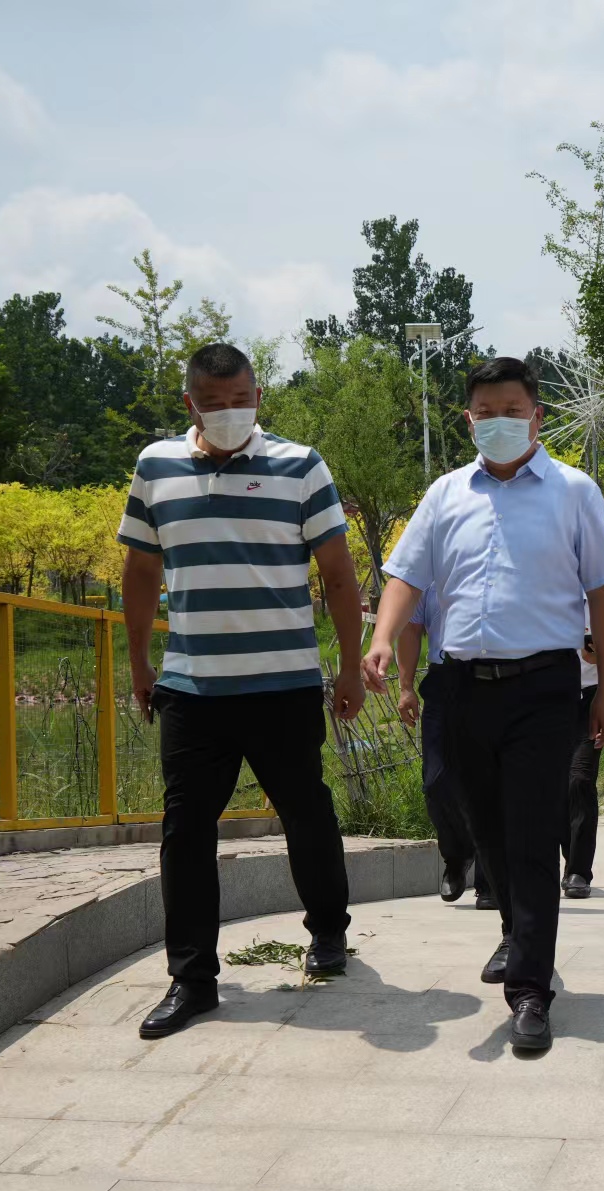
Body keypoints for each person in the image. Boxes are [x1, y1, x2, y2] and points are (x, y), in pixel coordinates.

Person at [363, 356, 604, 1052]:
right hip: (460, 686)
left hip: (544, 686)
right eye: (486, 413)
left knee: (533, 832)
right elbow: (406, 576)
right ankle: (516, 930)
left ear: (537, 417)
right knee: (485, 827)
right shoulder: (446, 493)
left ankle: (531, 990)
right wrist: (383, 638)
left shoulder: (574, 493)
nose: (499, 423)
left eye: (513, 411)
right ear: (468, 420)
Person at [117, 341, 365, 1039]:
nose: (229, 412)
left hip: (283, 683)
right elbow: (140, 572)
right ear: (190, 404)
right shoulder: (155, 466)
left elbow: (338, 574)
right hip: (191, 686)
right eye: (214, 403)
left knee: (305, 811)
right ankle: (192, 978)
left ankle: (328, 931)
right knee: (184, 829)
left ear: (259, 397)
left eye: (241, 400)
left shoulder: (300, 465)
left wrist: (349, 666)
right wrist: (139, 662)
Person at [395, 584, 495, 911]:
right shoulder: (428, 569)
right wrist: (406, 687)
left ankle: (491, 881)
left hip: (493, 678)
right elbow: (411, 628)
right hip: (443, 679)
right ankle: (458, 853)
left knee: (488, 782)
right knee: (435, 781)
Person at [561, 611, 604, 898]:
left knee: (580, 780)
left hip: (590, 699)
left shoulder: (597, 597)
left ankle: (578, 870)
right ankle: (565, 860)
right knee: (555, 786)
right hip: (550, 698)